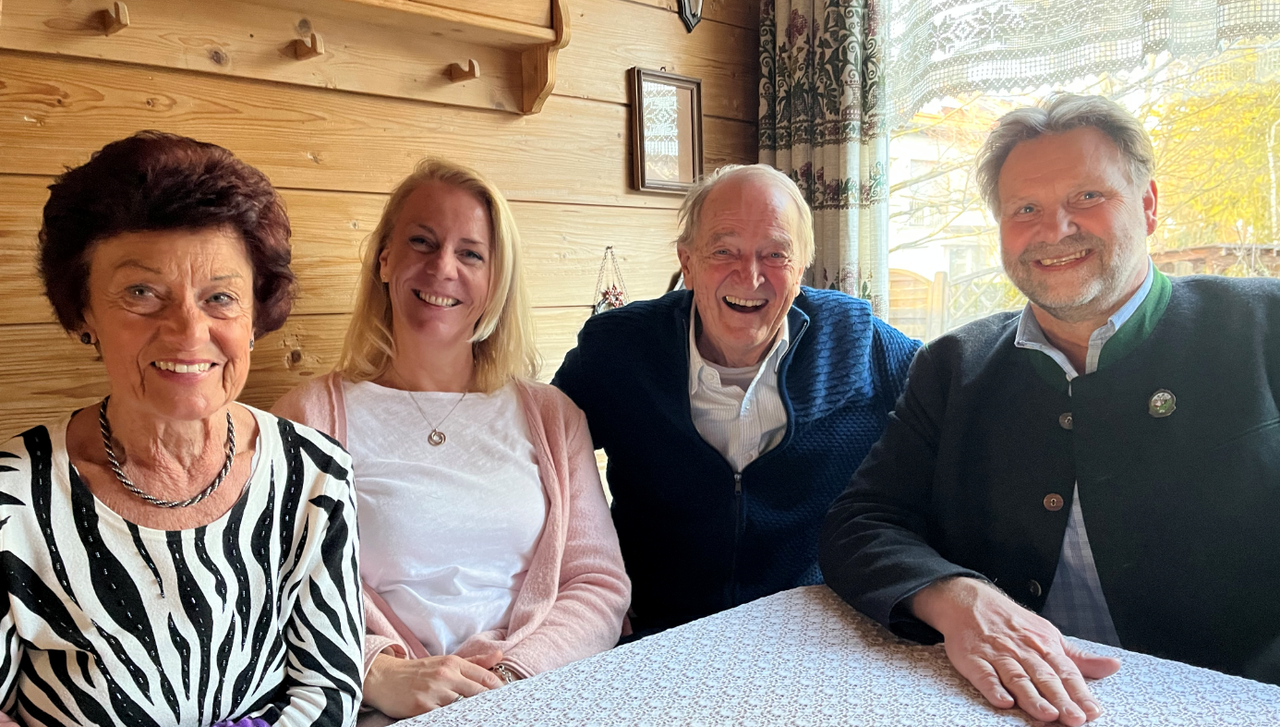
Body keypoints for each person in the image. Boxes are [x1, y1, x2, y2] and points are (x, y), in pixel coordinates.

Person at [820, 94, 1280, 727]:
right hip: (1000, 705)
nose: (1056, 229)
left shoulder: (1265, 328)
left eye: (1087, 197)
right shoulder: (953, 364)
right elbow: (861, 520)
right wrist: (958, 599)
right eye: (1025, 209)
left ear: (1148, 205)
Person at [0, 132, 363, 726]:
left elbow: (330, 685)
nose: (189, 331)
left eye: (220, 297)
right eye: (142, 293)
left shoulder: (314, 473)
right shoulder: (11, 501)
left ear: (254, 316)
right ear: (85, 312)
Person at [272, 159, 630, 720]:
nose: (442, 268)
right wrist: (375, 671)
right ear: (385, 259)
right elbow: (276, 590)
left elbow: (597, 583)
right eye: (422, 241)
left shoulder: (553, 416)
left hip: (537, 693)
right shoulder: (310, 417)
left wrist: (511, 677)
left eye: (471, 253)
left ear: (494, 282)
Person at [553, 164, 921, 636]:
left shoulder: (854, 338)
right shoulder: (619, 348)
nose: (749, 276)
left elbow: (952, 411)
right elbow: (543, 461)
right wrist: (584, 582)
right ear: (687, 262)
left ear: (802, 265)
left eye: (774, 254)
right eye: (724, 251)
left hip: (814, 627)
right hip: (652, 631)